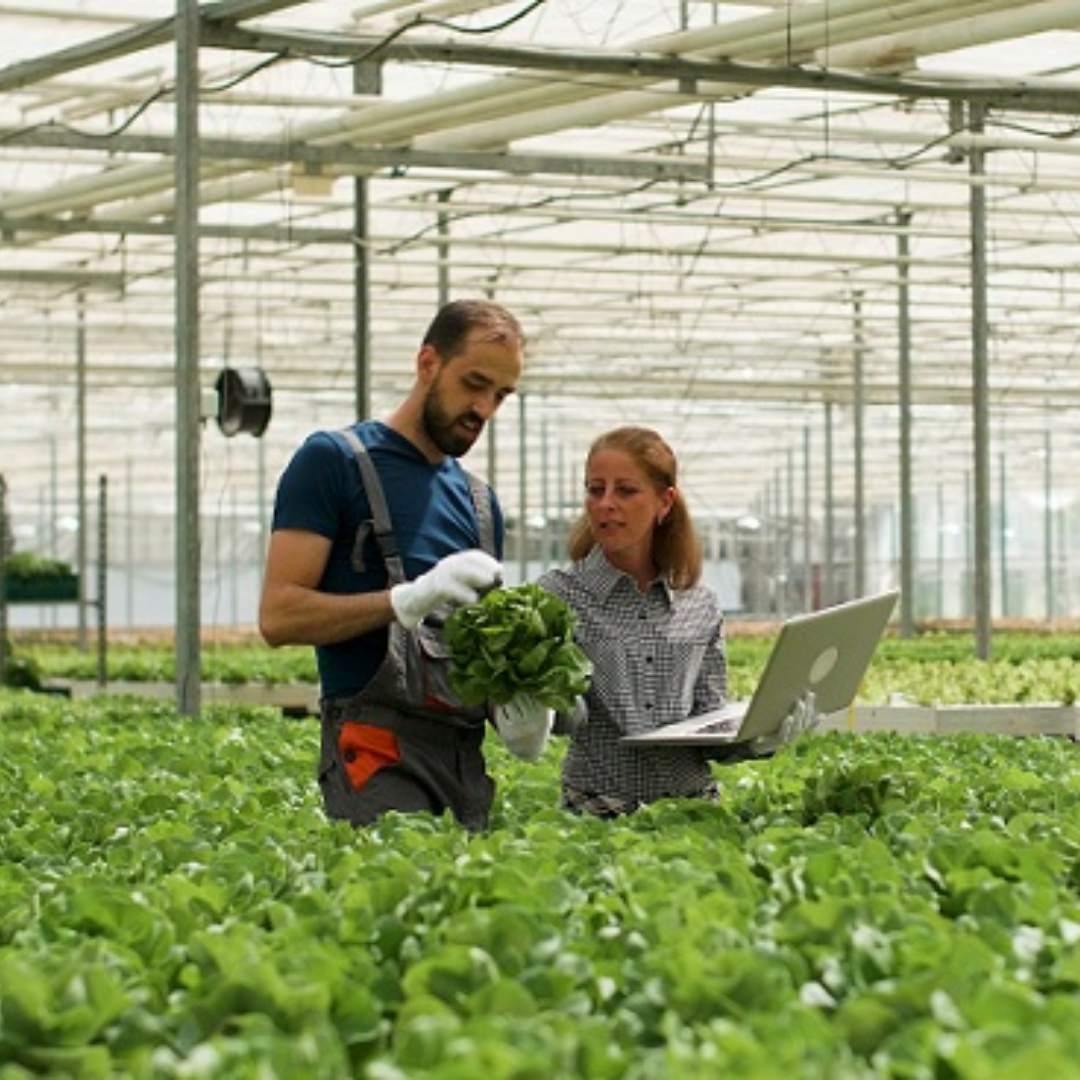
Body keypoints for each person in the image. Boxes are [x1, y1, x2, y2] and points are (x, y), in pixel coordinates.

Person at [259, 298, 544, 832]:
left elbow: (471, 651)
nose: (484, 408)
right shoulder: (335, 462)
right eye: (474, 383)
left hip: (463, 761)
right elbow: (279, 615)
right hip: (376, 751)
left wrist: (517, 704)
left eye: (500, 395)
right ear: (427, 363)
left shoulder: (480, 505)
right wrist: (405, 599)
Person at [536, 425, 814, 819]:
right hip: (597, 809)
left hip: (695, 811)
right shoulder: (558, 596)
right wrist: (533, 704)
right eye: (595, 489)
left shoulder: (699, 604)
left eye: (625, 490)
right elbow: (559, 718)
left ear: (664, 502)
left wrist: (762, 735)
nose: (605, 504)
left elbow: (708, 721)